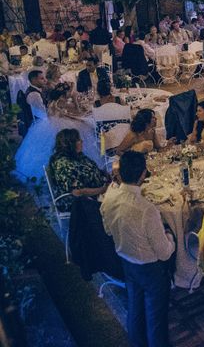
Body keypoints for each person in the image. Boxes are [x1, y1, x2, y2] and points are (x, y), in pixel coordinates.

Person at [101, 151, 175, 347]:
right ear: (143, 175)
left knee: (135, 308)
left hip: (126, 261)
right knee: (155, 317)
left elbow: (108, 230)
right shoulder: (147, 209)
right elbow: (164, 253)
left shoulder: (109, 198)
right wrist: (170, 235)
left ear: (120, 173)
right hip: (150, 268)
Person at [15, 83, 102, 180]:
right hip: (61, 127)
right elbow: (78, 111)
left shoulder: (52, 102)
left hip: (48, 125)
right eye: (70, 92)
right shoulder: (63, 102)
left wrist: (75, 117)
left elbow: (62, 115)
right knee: (86, 127)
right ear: (64, 94)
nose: (71, 93)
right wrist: (74, 100)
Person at [48, 128, 110, 212]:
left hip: (97, 191)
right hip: (77, 202)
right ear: (70, 144)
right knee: (116, 202)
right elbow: (78, 192)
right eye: (78, 140)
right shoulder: (63, 164)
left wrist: (109, 178)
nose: (81, 141)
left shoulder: (78, 156)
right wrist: (103, 190)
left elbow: (95, 169)